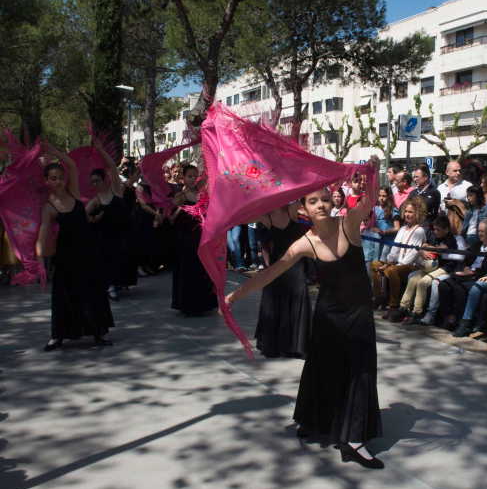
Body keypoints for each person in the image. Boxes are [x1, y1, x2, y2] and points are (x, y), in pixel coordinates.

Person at [226, 156, 384, 469]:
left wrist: (373, 173)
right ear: (304, 209)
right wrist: (234, 295)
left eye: (325, 198)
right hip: (328, 316)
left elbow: (368, 202)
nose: (321, 205)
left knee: (360, 372)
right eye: (313, 201)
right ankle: (315, 420)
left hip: (359, 314)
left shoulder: (348, 224)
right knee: (323, 369)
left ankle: (353, 440)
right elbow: (270, 273)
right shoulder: (304, 243)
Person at [36, 144, 114, 351]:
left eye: (61, 177)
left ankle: (100, 331)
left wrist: (54, 153)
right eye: (54, 178)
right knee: (64, 294)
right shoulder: (48, 206)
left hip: (87, 250)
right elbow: (41, 237)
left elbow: (71, 164)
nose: (59, 181)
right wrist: (39, 261)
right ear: (47, 181)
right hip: (66, 254)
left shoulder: (74, 192)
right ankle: (58, 336)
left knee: (92, 290)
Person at [252, 202, 313, 358]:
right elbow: (241, 217)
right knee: (274, 297)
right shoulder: (266, 216)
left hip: (296, 261)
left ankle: (296, 346)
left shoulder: (292, 209)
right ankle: (273, 344)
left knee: (298, 293)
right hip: (277, 262)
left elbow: (308, 194)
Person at [84, 140, 137, 301]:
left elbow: (113, 168)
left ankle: (117, 284)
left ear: (104, 180)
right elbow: (83, 213)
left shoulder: (115, 189)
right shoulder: (96, 199)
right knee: (111, 258)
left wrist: (100, 149)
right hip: (110, 234)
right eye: (93, 181)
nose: (95, 184)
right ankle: (111, 286)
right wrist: (89, 217)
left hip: (126, 229)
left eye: (97, 180)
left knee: (125, 257)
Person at [171, 165, 218, 317]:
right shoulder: (180, 196)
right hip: (186, 241)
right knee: (188, 272)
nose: (193, 179)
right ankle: (187, 306)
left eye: (195, 176)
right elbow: (169, 209)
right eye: (189, 176)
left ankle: (201, 305)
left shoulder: (201, 194)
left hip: (201, 239)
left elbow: (208, 173)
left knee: (201, 271)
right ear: (183, 178)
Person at [369, 197, 427, 319]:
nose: (407, 214)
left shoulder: (419, 231)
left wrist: (391, 266)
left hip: (411, 266)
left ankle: (394, 306)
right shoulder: (402, 229)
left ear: (417, 213)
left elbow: (412, 256)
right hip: (397, 264)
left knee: (393, 270)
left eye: (410, 212)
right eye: (406, 211)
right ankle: (380, 296)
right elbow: (395, 249)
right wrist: (387, 263)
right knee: (374, 265)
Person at [395, 216, 458, 324]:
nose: (435, 232)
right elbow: (424, 244)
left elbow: (441, 249)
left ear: (446, 230)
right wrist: (423, 250)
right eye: (434, 229)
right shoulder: (435, 237)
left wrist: (426, 248)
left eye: (438, 230)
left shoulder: (450, 240)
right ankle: (403, 307)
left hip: (444, 268)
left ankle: (417, 312)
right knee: (413, 280)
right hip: (430, 268)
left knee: (422, 283)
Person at [437, 219, 487, 330]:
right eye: (478, 231)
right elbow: (466, 260)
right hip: (466, 274)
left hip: (480, 277)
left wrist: (472, 272)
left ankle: (463, 322)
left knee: (460, 288)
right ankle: (451, 318)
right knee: (444, 285)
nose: (479, 233)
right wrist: (466, 268)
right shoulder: (477, 245)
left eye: (482, 231)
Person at [135, 173, 162, 276]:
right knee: (142, 241)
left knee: (150, 242)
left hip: (152, 215)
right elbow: (143, 205)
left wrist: (156, 217)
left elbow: (157, 203)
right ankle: (140, 267)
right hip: (143, 216)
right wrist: (156, 215)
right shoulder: (139, 187)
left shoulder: (153, 186)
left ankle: (147, 265)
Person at [367, 186, 401, 260]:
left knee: (382, 261)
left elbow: (397, 228)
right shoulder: (374, 209)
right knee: (373, 261)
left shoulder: (393, 210)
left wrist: (383, 232)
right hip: (375, 241)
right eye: (379, 195)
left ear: (389, 197)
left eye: (384, 196)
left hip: (387, 241)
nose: (381, 198)